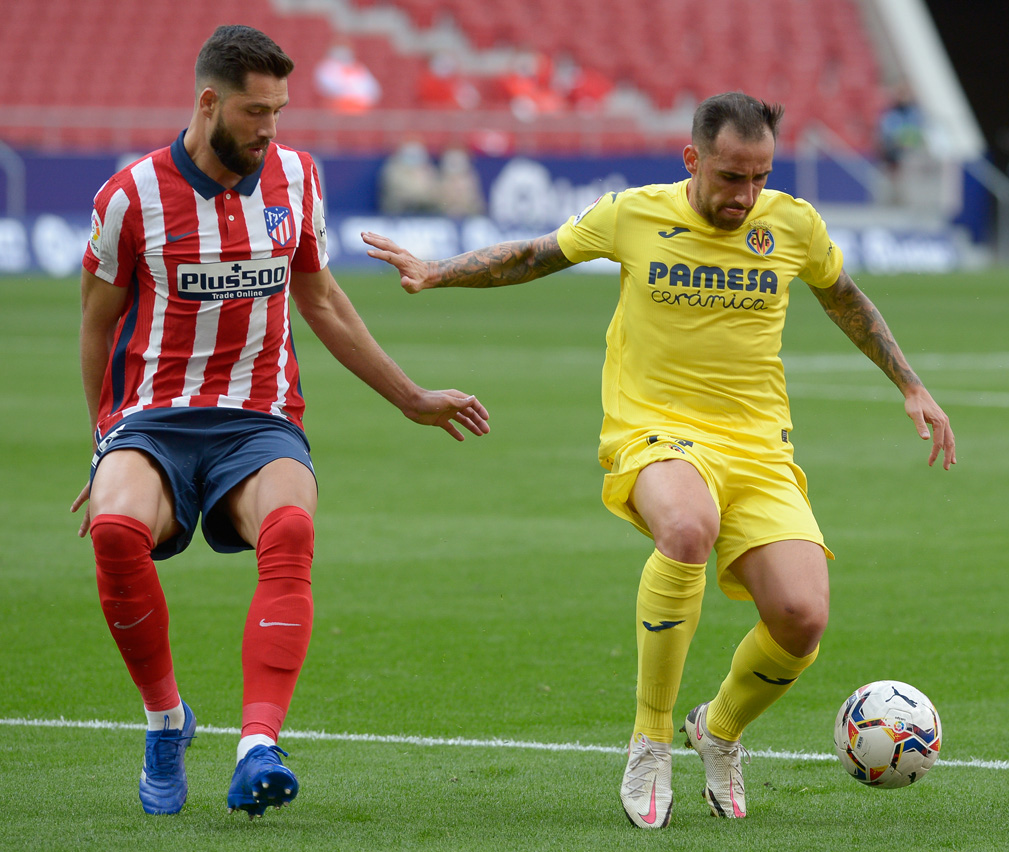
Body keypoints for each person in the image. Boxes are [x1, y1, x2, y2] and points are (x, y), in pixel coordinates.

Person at [362, 91, 955, 829]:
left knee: (802, 618)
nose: (745, 196)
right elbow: (534, 255)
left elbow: (845, 298)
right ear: (692, 159)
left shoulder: (793, 224)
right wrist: (437, 271)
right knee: (686, 529)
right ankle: (650, 739)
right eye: (731, 176)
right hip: (655, 431)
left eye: (759, 178)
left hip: (758, 447)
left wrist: (911, 384)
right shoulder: (632, 212)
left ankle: (719, 731)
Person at [75, 25, 489, 818]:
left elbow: (322, 299)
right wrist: (102, 443)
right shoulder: (129, 197)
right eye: (254, 111)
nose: (270, 129)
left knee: (292, 530)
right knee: (116, 530)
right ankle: (167, 719)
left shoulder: (297, 177)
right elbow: (97, 323)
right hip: (154, 420)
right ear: (208, 101)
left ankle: (257, 744)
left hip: (260, 416)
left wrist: (410, 396)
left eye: (280, 111)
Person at [314, 39, 381, 114]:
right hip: (338, 106)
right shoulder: (327, 66)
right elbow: (326, 85)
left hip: (361, 107)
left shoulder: (358, 67)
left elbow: (372, 88)